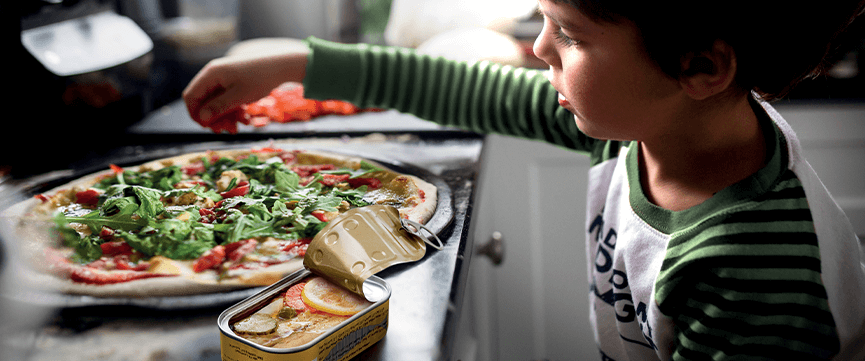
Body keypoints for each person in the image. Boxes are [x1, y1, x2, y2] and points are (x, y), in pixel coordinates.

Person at [183, 0, 865, 359]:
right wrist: (296, 62)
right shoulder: (655, 120)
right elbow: (465, 88)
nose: (538, 48)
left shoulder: (757, 269)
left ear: (700, 67)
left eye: (568, 34)